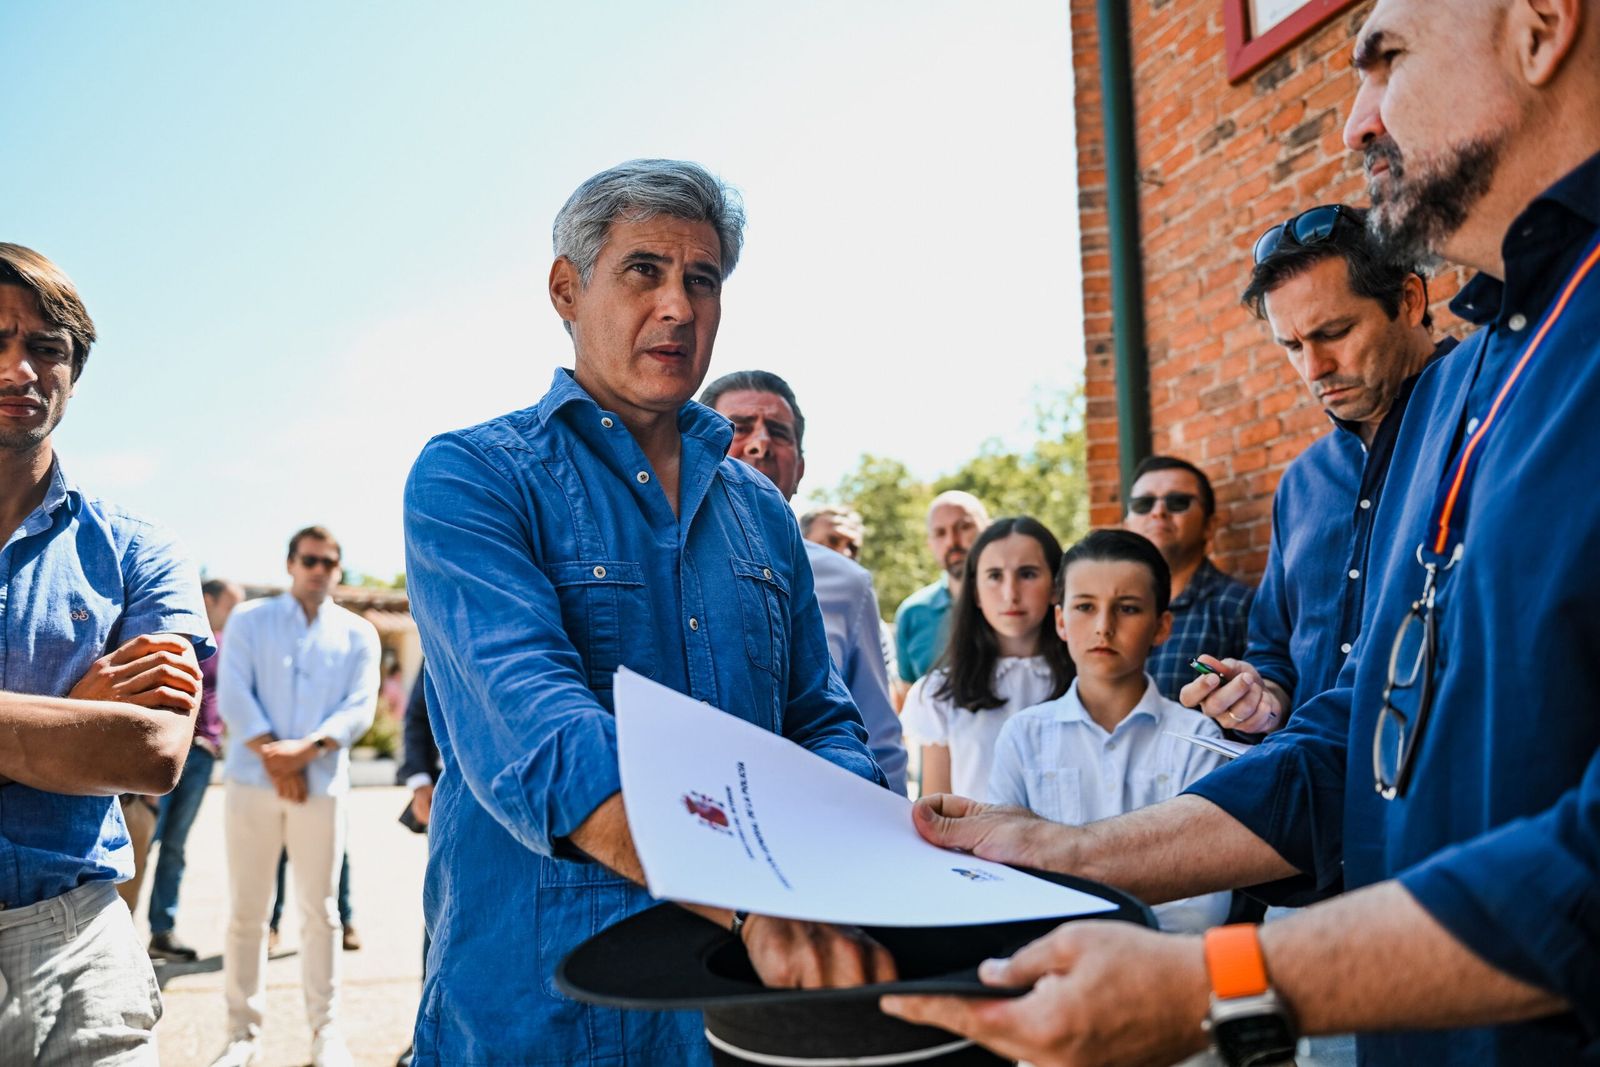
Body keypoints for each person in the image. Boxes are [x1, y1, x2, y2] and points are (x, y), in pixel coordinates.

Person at [880, 2, 1600, 1063]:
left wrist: (1216, 984)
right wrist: (1070, 846)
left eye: (1385, 58)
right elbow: (1354, 735)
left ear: (1540, 25)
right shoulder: (1483, 367)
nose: (1355, 121)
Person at [402, 159, 892, 1065]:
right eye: (644, 271)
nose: (678, 305)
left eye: (701, 279)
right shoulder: (472, 477)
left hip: (744, 1016)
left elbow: (819, 718)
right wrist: (754, 896)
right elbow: (541, 733)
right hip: (540, 1009)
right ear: (566, 287)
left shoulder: (760, 510)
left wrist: (869, 853)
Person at [0, 242, 211, 1064]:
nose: (19, 367)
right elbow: (105, 736)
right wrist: (74, 713)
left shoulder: (138, 552)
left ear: (73, 372)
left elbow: (154, 751)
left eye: (45, 346)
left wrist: (104, 729)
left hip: (78, 949)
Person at [1180, 204, 1452, 737]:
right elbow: (1276, 651)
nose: (1313, 368)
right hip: (1319, 798)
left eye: (1335, 331)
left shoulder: (1484, 414)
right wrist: (1259, 698)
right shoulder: (1302, 483)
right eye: (1292, 345)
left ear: (1410, 300)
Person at [987, 529, 1229, 934]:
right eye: (1084, 606)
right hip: (1048, 965)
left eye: (1128, 608)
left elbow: (1204, 903)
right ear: (1061, 620)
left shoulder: (1198, 741)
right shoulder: (1023, 737)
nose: (1103, 626)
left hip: (1166, 969)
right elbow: (1004, 875)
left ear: (1161, 626)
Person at [213, 526, 379, 1067]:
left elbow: (359, 708)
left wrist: (303, 754)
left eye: (330, 562)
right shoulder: (249, 620)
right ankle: (242, 1035)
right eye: (310, 559)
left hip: (322, 785)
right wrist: (276, 758)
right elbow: (234, 694)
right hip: (251, 784)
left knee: (322, 913)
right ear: (290, 563)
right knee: (247, 913)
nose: (319, 570)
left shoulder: (359, 634)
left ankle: (325, 1034)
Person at [701, 368, 907, 794]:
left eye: (779, 432)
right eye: (738, 429)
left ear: (800, 467)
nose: (759, 443)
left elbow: (880, 738)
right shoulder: (657, 558)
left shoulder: (847, 583)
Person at [901, 517, 1074, 799]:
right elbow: (937, 807)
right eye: (994, 576)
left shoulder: (1088, 683)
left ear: (1055, 586)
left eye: (1028, 574)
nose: (1010, 594)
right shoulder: (940, 694)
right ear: (976, 592)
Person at [146, 577, 244, 962]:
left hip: (202, 756)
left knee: (174, 846)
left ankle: (162, 930)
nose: (233, 617)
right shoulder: (178, 639)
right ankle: (117, 935)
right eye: (229, 607)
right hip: (168, 753)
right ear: (208, 600)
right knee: (142, 840)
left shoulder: (225, 645)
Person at [1122, 455, 1254, 701]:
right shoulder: (1107, 608)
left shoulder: (1239, 606)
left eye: (1177, 502)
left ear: (1209, 525)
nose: (1158, 512)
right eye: (1143, 504)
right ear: (1127, 523)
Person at [894, 490, 990, 685]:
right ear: (930, 544)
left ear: (988, 530)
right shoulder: (912, 613)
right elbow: (906, 696)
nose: (952, 541)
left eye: (964, 527)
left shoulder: (1014, 602)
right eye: (940, 533)